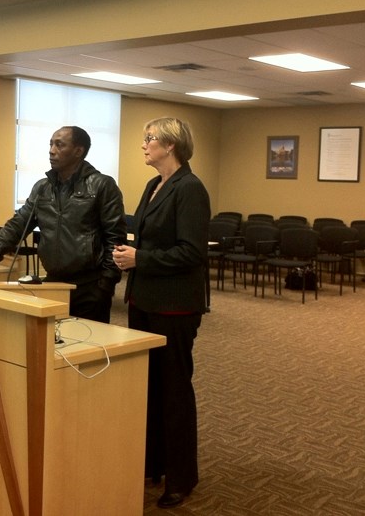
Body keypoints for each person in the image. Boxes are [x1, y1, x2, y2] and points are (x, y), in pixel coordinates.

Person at [112, 117, 210, 509]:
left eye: (149, 139)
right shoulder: (155, 185)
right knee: (148, 388)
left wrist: (141, 258)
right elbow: (145, 237)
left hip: (175, 305)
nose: (144, 146)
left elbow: (192, 252)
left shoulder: (190, 188)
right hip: (145, 300)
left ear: (170, 145)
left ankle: (181, 477)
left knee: (173, 391)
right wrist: (129, 255)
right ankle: (153, 463)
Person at [0, 126, 127, 323]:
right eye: (51, 144)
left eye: (59, 144)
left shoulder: (101, 185)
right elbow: (18, 226)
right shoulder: (42, 188)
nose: (51, 150)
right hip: (54, 283)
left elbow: (115, 239)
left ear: (78, 151)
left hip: (90, 286)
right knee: (53, 345)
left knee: (90, 344)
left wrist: (106, 284)